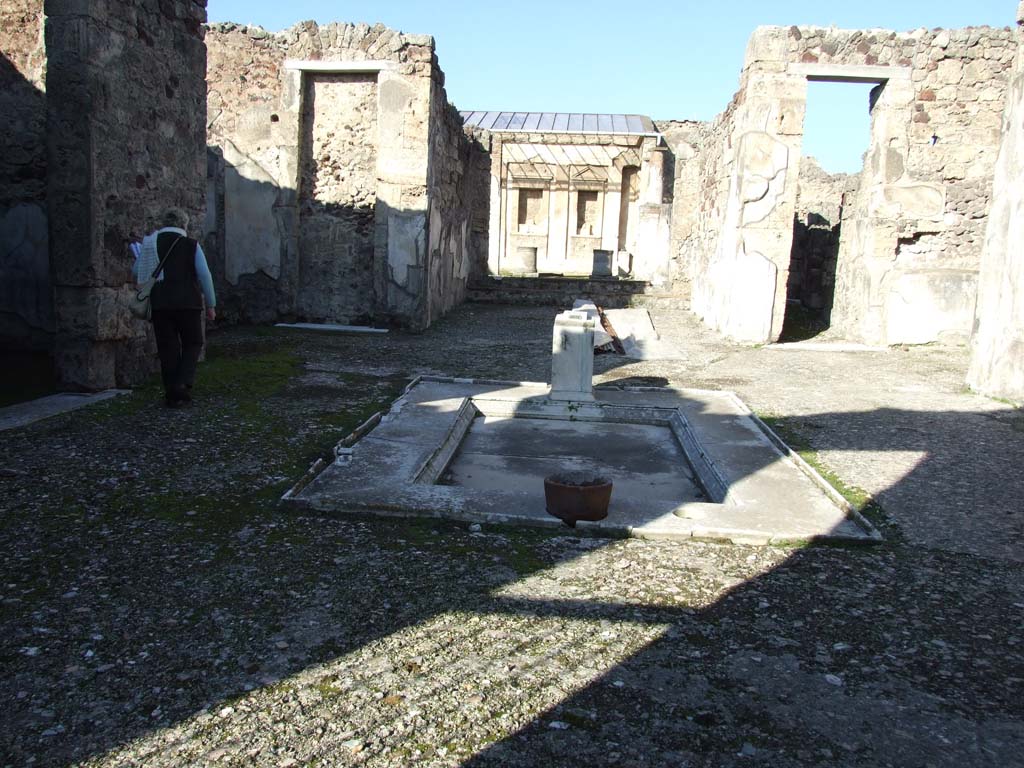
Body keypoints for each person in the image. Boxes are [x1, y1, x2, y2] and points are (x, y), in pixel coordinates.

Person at [133, 208, 217, 408]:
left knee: (167, 348)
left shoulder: (150, 245)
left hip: (160, 304)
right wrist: (211, 305)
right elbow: (205, 275)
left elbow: (136, 270)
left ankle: (171, 392)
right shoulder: (191, 245)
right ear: (184, 225)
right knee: (193, 342)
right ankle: (182, 383)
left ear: (164, 223)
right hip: (189, 303)